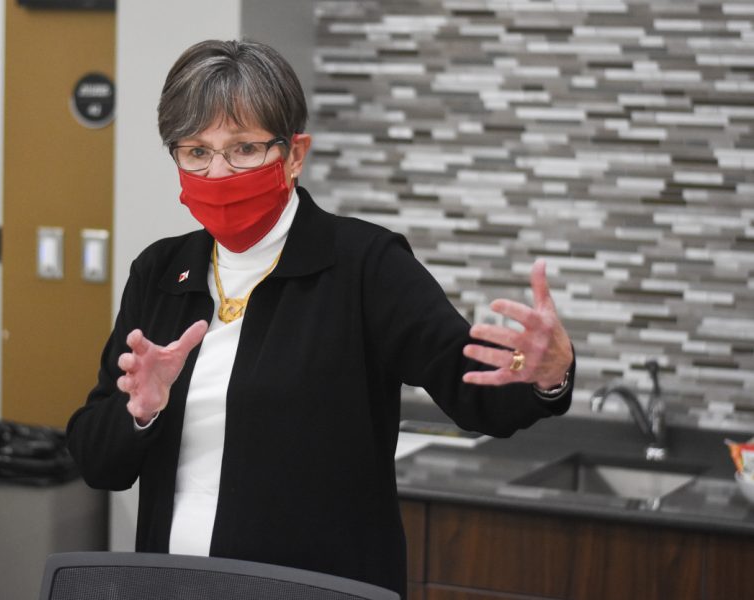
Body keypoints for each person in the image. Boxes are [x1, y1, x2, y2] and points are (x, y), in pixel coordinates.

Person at [67, 39, 575, 596]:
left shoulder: (365, 266)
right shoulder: (160, 271)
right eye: (196, 152)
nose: (218, 172)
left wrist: (545, 372)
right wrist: (141, 411)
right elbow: (99, 462)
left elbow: (475, 390)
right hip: (176, 586)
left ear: (294, 154)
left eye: (243, 149)